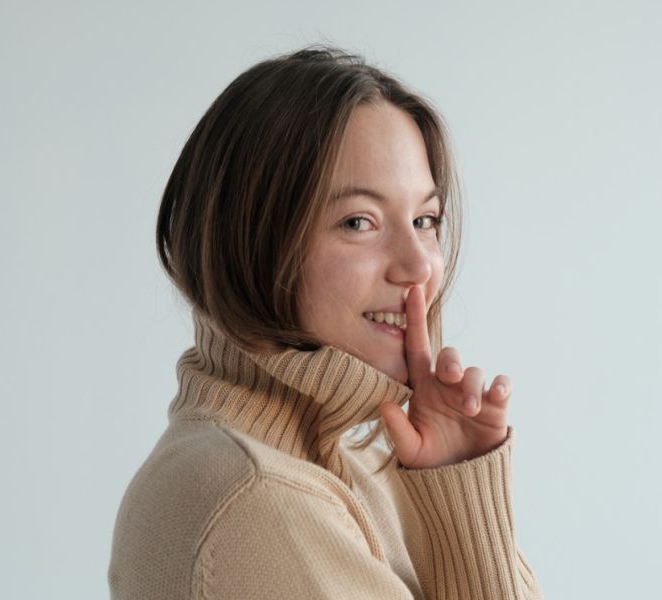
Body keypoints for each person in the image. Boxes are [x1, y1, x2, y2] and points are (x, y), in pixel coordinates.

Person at [108, 44, 544, 599]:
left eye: (424, 219)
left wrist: (459, 489)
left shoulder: (353, 464)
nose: (419, 267)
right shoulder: (256, 497)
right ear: (254, 241)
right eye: (359, 222)